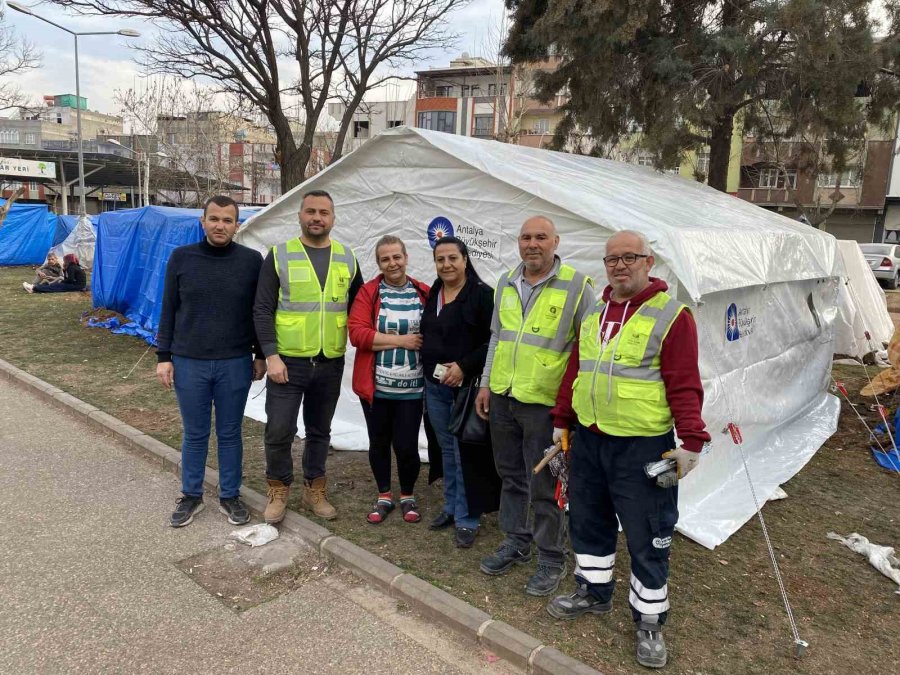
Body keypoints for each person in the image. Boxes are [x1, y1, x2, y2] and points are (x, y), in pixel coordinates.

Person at [546, 230, 710, 669]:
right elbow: (574, 372)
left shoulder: (672, 316)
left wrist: (692, 441)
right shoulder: (595, 314)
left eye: (629, 257)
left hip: (642, 447)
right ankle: (593, 591)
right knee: (588, 520)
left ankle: (650, 618)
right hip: (590, 440)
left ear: (648, 261)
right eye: (611, 259)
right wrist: (562, 420)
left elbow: (684, 383)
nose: (619, 265)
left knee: (648, 533)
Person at [474, 216, 593, 597]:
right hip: (505, 397)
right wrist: (486, 384)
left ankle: (551, 557)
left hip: (544, 405)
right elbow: (496, 338)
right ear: (518, 242)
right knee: (510, 475)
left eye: (541, 237)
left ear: (556, 242)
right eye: (525, 237)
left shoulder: (577, 286)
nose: (532, 244)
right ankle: (516, 541)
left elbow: (587, 351)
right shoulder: (507, 282)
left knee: (545, 483)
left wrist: (568, 409)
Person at [155, 195, 266, 528]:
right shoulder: (181, 258)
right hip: (190, 361)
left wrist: (260, 354)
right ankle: (191, 495)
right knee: (195, 433)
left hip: (234, 362)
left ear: (237, 224)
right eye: (214, 219)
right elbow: (168, 308)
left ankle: (230, 495)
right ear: (202, 222)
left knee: (230, 433)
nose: (220, 225)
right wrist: (164, 357)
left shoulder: (251, 261)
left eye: (227, 220)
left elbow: (258, 312)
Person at [253, 189, 363, 524]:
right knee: (279, 430)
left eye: (324, 212)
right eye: (310, 211)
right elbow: (262, 309)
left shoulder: (347, 258)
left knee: (320, 431)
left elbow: (360, 308)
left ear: (333, 218)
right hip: (287, 363)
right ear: (300, 215)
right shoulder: (280, 254)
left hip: (329, 363)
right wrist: (270, 355)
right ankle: (279, 488)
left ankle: (314, 488)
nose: (317, 217)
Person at [420, 236, 496, 548]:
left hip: (467, 389)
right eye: (441, 259)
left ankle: (468, 517)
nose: (447, 265)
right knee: (445, 449)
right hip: (435, 386)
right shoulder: (435, 291)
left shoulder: (482, 295)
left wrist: (464, 366)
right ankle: (450, 507)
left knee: (466, 452)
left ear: (465, 260)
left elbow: (494, 341)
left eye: (453, 258)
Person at [348, 235, 429, 524]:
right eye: (385, 259)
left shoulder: (424, 292)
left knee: (407, 445)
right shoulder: (368, 292)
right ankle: (384, 495)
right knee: (379, 442)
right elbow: (357, 334)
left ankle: (407, 495)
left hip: (413, 386)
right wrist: (404, 341)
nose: (392, 263)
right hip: (376, 388)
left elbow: (434, 334)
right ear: (379, 263)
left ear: (406, 257)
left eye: (397, 256)